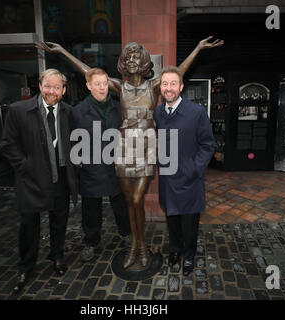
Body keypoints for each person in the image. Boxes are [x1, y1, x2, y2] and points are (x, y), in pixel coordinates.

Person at [37, 35, 223, 269]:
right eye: (128, 57)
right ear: (123, 62)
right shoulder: (118, 86)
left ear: (144, 61)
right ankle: (136, 246)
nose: (132, 60)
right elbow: (90, 74)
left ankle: (141, 246)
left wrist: (197, 47)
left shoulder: (153, 86)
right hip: (124, 148)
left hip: (146, 148)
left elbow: (177, 72)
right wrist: (63, 52)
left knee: (137, 199)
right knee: (130, 203)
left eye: (136, 56)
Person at [0, 69, 78, 293]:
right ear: (40, 86)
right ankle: (26, 266)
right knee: (28, 226)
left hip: (60, 178)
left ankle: (57, 257)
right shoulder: (18, 110)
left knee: (59, 222)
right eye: (47, 86)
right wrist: (25, 166)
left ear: (63, 90)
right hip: (30, 181)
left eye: (56, 87)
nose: (51, 92)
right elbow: (8, 145)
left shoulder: (68, 112)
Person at [154, 66, 215, 276]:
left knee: (189, 225)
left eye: (173, 84)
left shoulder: (196, 112)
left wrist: (194, 169)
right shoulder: (158, 112)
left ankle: (189, 256)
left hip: (189, 181)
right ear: (160, 88)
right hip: (167, 180)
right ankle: (175, 250)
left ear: (181, 86)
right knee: (172, 221)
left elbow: (208, 145)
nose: (168, 88)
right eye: (164, 84)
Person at [70, 68, 131, 262]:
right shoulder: (78, 111)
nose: (102, 87)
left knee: (121, 206)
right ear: (88, 86)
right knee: (91, 211)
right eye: (97, 84)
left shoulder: (118, 107)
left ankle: (126, 234)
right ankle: (91, 242)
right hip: (91, 171)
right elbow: (71, 141)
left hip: (116, 169)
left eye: (105, 83)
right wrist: (80, 164)